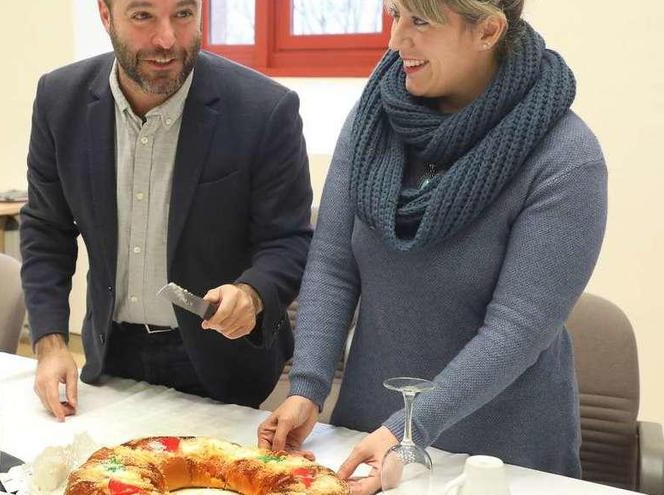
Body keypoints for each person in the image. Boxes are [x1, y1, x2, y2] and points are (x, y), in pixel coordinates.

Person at [258, 0, 606, 492]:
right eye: (394, 14)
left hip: (500, 460)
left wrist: (408, 430)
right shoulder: (371, 122)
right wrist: (308, 386)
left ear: (487, 31)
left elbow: (518, 330)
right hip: (367, 435)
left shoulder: (566, 158)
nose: (396, 40)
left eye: (420, 21)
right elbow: (334, 266)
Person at [20, 0, 313, 421]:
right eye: (143, 16)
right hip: (111, 352)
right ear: (106, 15)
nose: (166, 39)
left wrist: (251, 293)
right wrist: (50, 343)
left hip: (221, 365)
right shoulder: (59, 99)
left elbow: (288, 240)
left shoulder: (263, 110)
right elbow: (46, 228)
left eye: (183, 14)